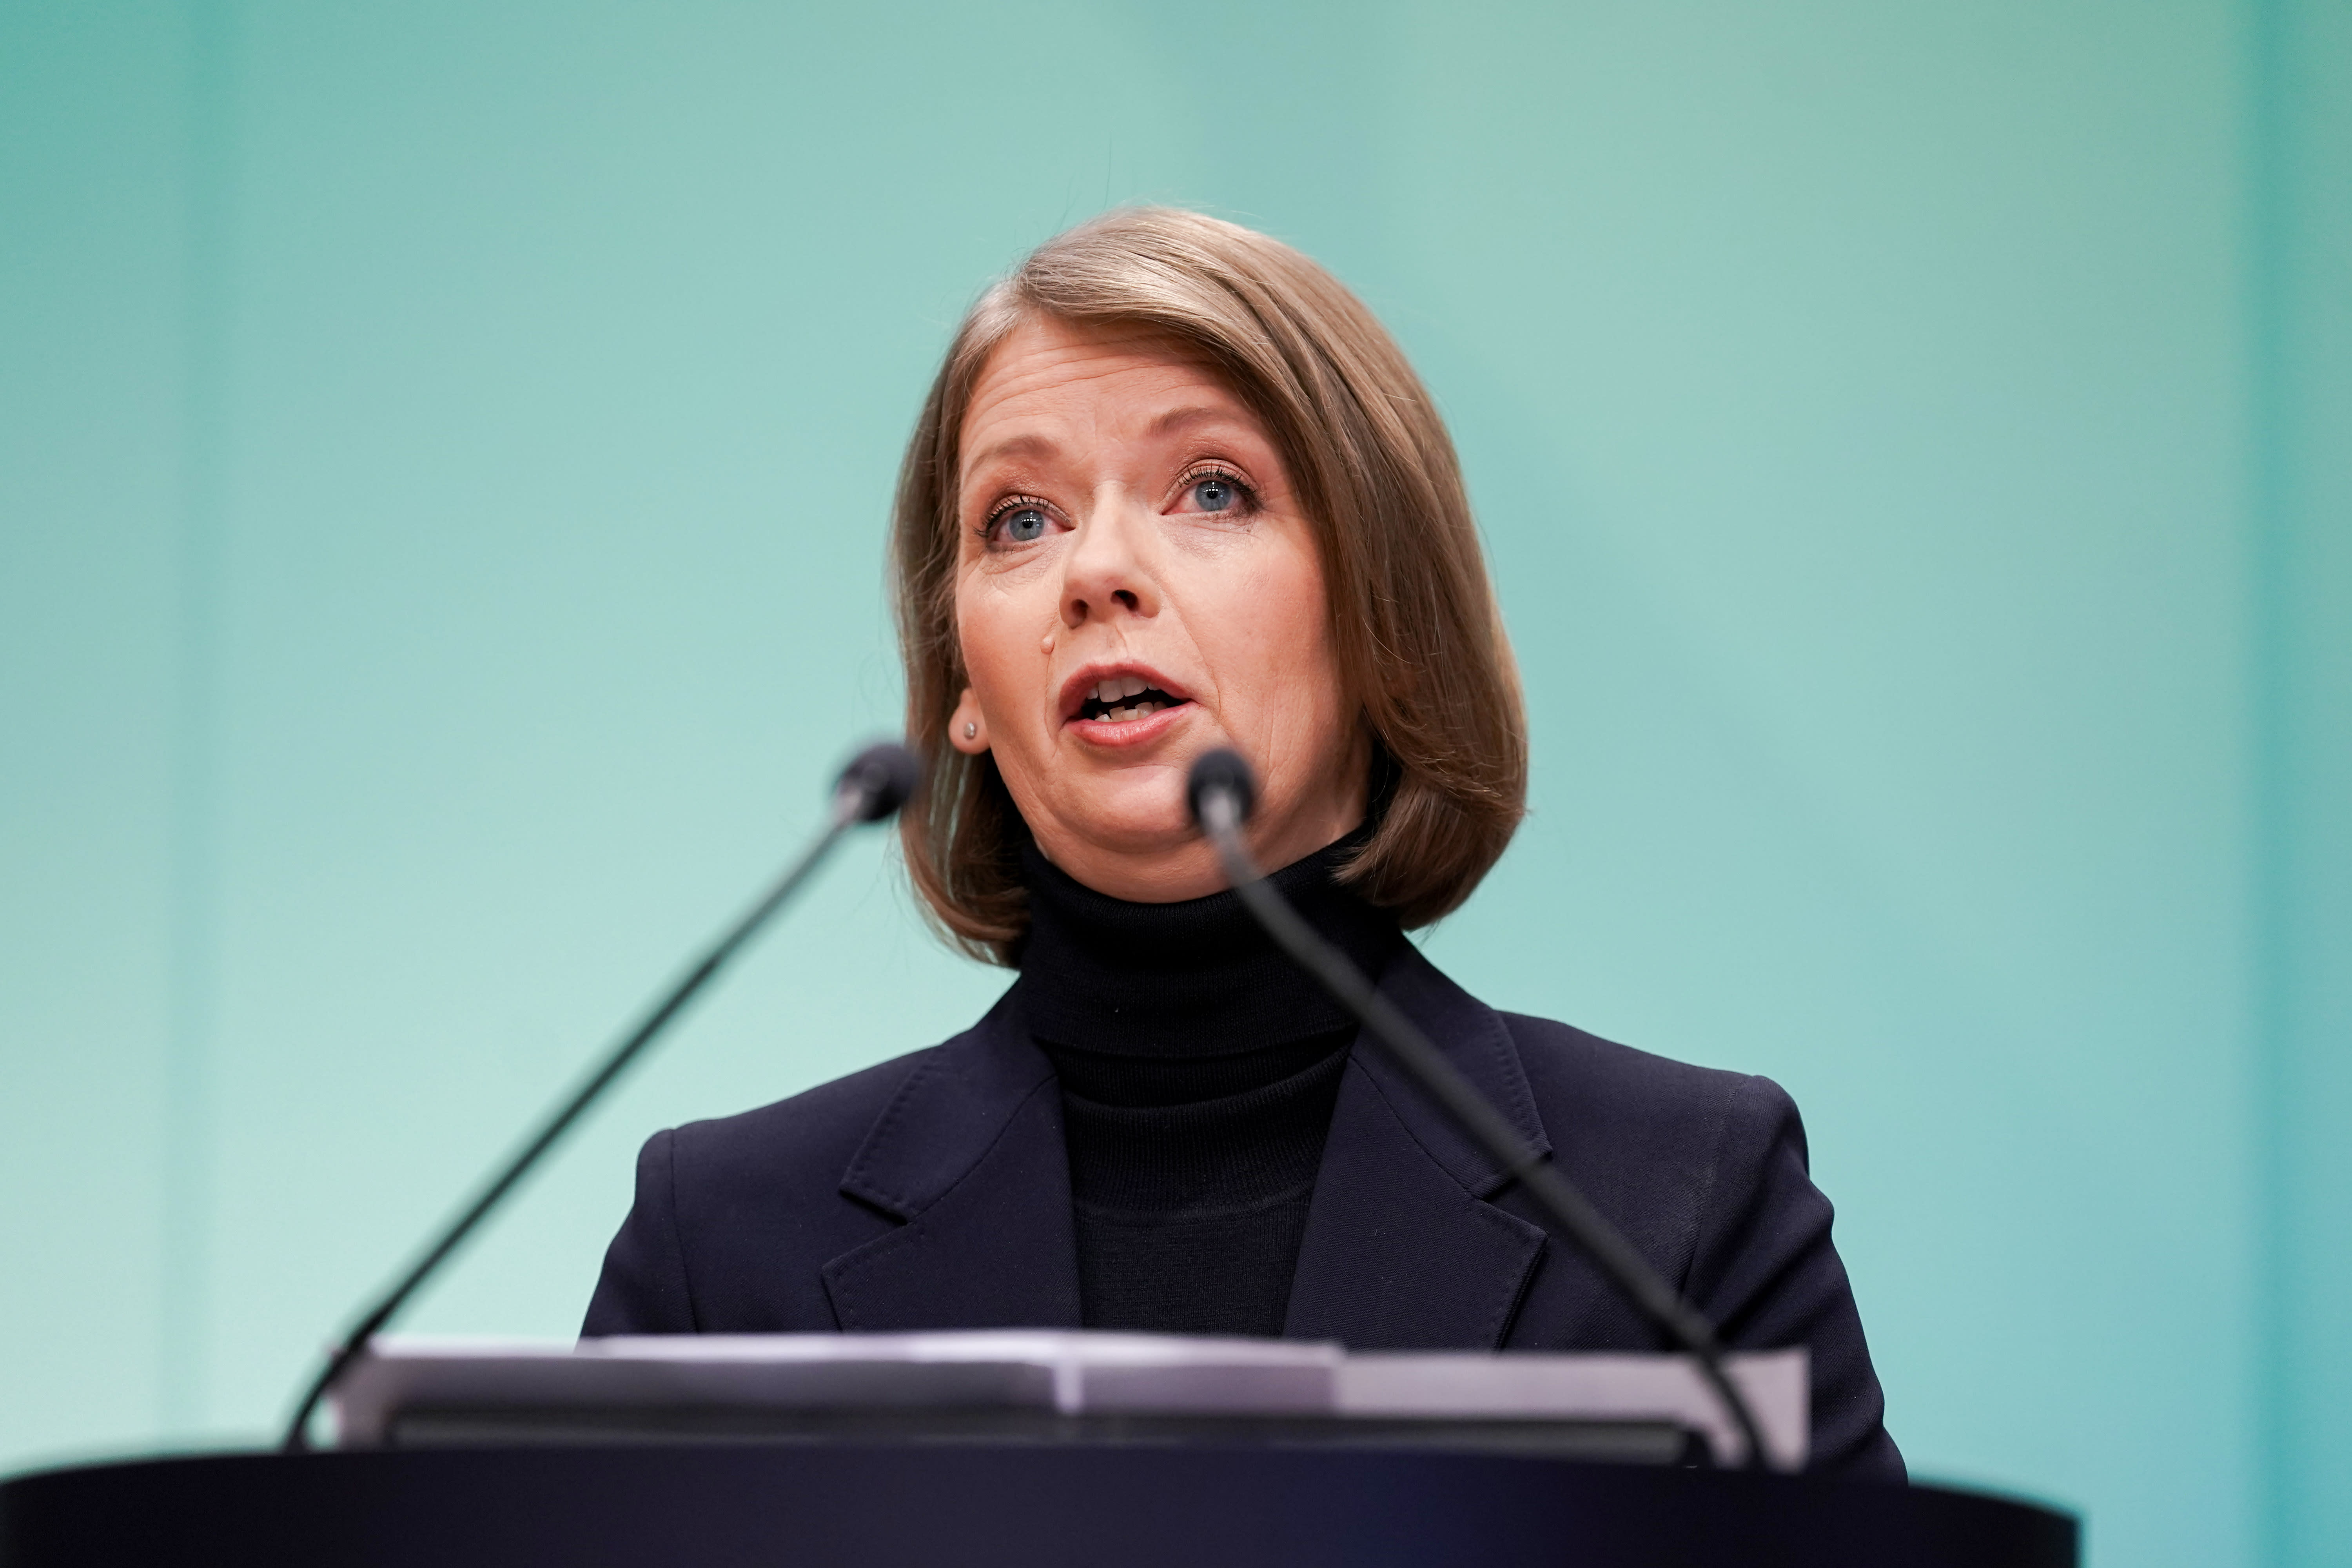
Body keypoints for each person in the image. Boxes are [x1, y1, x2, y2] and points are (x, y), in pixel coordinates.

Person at [584, 207, 1904, 1479]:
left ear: (1385, 614)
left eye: (1212, 491)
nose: (1095, 572)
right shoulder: (723, 1249)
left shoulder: (1678, 1206)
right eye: (1020, 520)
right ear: (965, 687)